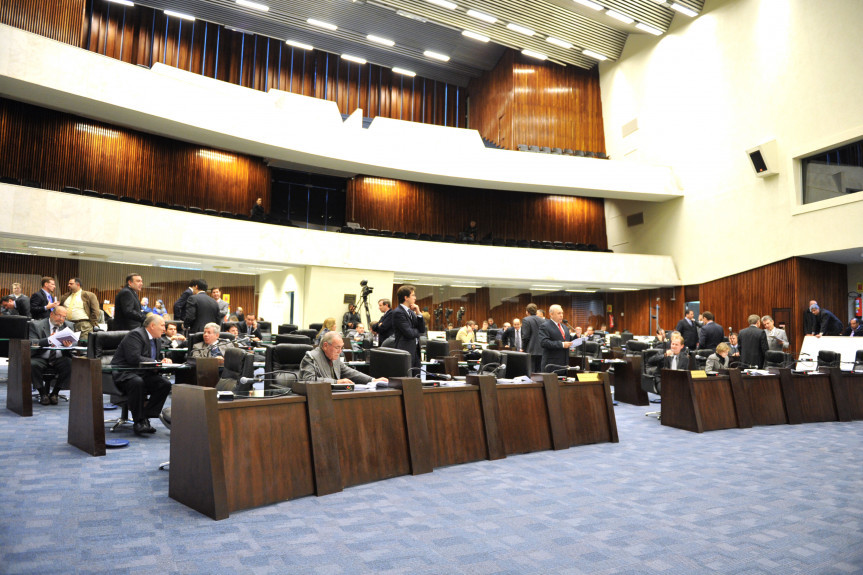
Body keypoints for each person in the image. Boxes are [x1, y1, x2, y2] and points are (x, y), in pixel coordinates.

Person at [111, 314, 173, 435]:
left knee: (164, 384)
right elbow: (134, 358)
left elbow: (155, 358)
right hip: (125, 373)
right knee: (137, 382)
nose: (164, 329)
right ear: (152, 325)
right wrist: (157, 362)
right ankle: (139, 422)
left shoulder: (157, 339)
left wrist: (164, 361)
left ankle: (144, 416)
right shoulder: (136, 335)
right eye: (162, 325)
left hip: (143, 373)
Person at [300, 332, 387, 386]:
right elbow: (309, 380)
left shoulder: (334, 357)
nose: (340, 351)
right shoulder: (311, 357)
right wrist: (336, 382)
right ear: (325, 345)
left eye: (342, 348)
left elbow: (349, 372)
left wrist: (372, 380)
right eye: (337, 347)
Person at [29, 306, 74, 405]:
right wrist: (48, 340)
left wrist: (70, 344)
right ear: (51, 314)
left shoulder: (68, 326)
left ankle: (55, 393)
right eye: (59, 315)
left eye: (64, 317)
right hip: (41, 356)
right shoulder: (36, 325)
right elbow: (32, 342)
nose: (61, 319)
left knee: (70, 364)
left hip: (59, 357)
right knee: (32, 364)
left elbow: (74, 342)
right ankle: (42, 393)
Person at [392, 284, 424, 369]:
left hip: (415, 351)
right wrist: (417, 331)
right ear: (406, 298)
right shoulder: (398, 312)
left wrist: (419, 313)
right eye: (413, 295)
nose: (415, 298)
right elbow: (409, 333)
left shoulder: (411, 312)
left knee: (417, 377)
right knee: (407, 378)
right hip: (405, 350)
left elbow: (422, 329)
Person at [539, 304, 573, 372]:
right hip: (552, 364)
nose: (561, 315)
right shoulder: (545, 326)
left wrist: (576, 337)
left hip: (564, 364)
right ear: (551, 314)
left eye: (562, 313)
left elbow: (567, 340)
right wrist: (562, 344)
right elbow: (544, 342)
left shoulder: (565, 327)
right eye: (559, 313)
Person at [521, 303, 544, 373]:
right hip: (542, 350)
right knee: (539, 373)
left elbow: (525, 336)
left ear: (527, 312)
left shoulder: (526, 320)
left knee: (531, 373)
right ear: (536, 311)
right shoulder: (543, 320)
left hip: (531, 350)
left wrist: (523, 348)